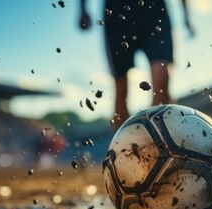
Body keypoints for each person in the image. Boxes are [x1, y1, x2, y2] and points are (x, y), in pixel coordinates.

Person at [79, 0, 194, 128]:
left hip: (154, 8)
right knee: (121, 85)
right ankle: (123, 144)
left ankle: (160, 134)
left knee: (161, 73)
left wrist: (186, 15)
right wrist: (82, 9)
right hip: (116, 12)